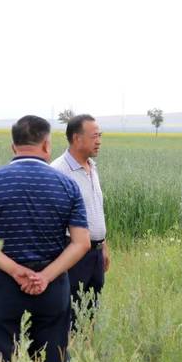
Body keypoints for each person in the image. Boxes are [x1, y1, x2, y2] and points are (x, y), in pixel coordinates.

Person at [0, 115, 90, 362]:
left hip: (3, 287)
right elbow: (82, 242)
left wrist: (16, 271)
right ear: (47, 145)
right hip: (52, 290)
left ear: (13, 146)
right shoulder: (67, 185)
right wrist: (44, 276)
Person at [51, 114, 110, 327]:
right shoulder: (58, 171)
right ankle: (67, 356)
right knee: (71, 312)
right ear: (77, 139)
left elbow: (96, 209)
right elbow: (53, 218)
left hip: (95, 254)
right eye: (94, 136)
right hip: (72, 252)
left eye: (100, 136)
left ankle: (87, 355)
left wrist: (103, 245)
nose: (99, 141)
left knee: (91, 313)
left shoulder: (92, 167)